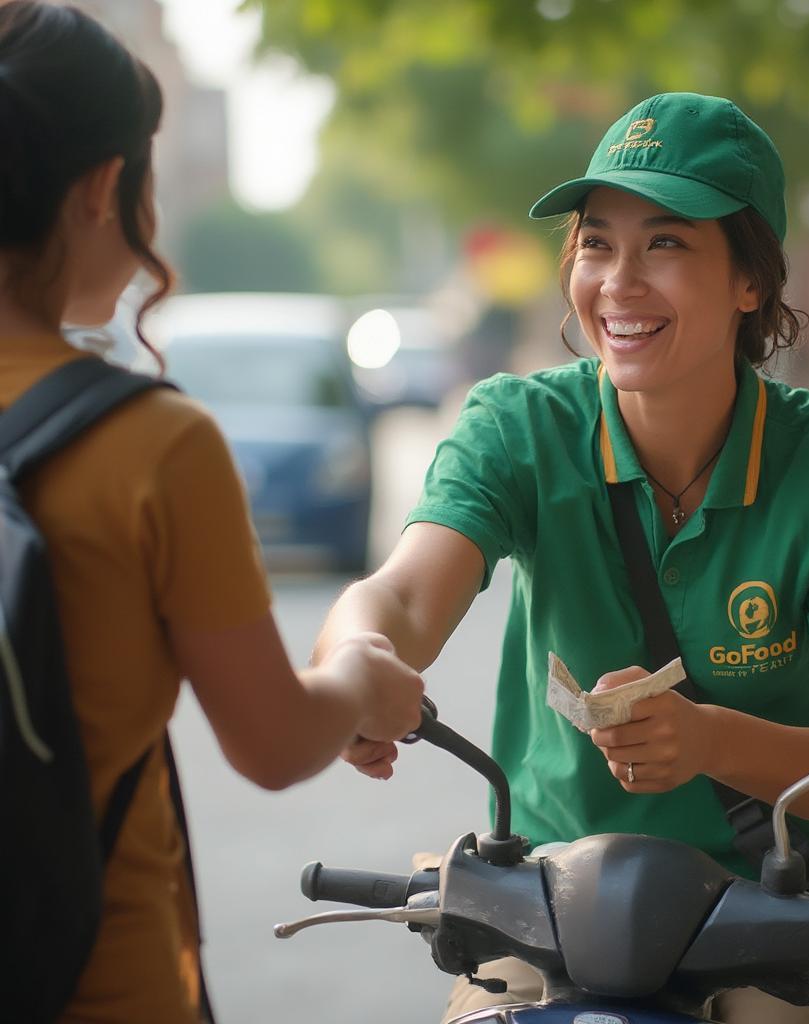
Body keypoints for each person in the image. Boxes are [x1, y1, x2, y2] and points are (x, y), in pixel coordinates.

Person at [314, 92, 809, 1024]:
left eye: (667, 244)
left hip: (771, 913)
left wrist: (709, 740)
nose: (618, 282)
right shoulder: (518, 427)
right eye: (597, 243)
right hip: (554, 909)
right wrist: (359, 660)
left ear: (751, 280)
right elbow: (401, 597)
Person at [0, 4, 425, 1022]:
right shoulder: (152, 444)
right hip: (97, 983)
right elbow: (273, 743)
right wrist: (362, 678)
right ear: (107, 186)